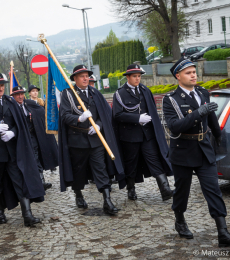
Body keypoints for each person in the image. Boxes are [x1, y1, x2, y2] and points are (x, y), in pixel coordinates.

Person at [162, 57, 230, 246]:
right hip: (182, 151)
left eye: (194, 72)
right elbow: (175, 127)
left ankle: (222, 231)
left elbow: (211, 119)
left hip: (204, 149)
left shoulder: (202, 92)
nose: (193, 75)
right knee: (182, 192)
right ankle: (180, 220)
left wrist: (217, 136)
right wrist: (198, 112)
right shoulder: (170, 100)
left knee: (213, 189)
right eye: (188, 73)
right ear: (178, 76)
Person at [0, 72, 45, 227]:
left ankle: (27, 215)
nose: (0, 88)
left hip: (12, 151)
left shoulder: (10, 102)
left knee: (20, 181)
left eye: (2, 85)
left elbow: (21, 124)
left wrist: (13, 132)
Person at [59, 65, 125, 215]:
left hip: (96, 139)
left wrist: (99, 126)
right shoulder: (68, 94)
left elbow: (104, 114)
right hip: (77, 140)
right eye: (81, 76)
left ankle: (107, 201)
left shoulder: (95, 93)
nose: (85, 78)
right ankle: (78, 194)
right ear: (74, 79)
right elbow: (64, 116)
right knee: (78, 170)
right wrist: (79, 118)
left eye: (87, 75)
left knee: (101, 169)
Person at [112, 64, 173, 201]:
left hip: (147, 135)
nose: (137, 79)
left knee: (154, 160)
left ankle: (165, 189)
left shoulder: (145, 90)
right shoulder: (120, 93)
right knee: (131, 164)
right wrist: (137, 118)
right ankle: (131, 189)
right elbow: (117, 115)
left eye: (139, 76)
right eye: (134, 76)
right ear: (127, 77)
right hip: (129, 136)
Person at [11, 86, 58, 190]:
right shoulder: (11, 107)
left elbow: (41, 112)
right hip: (18, 138)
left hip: (32, 136)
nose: (20, 96)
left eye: (21, 94)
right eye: (17, 95)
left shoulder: (29, 104)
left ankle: (41, 181)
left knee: (35, 157)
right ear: (13, 96)